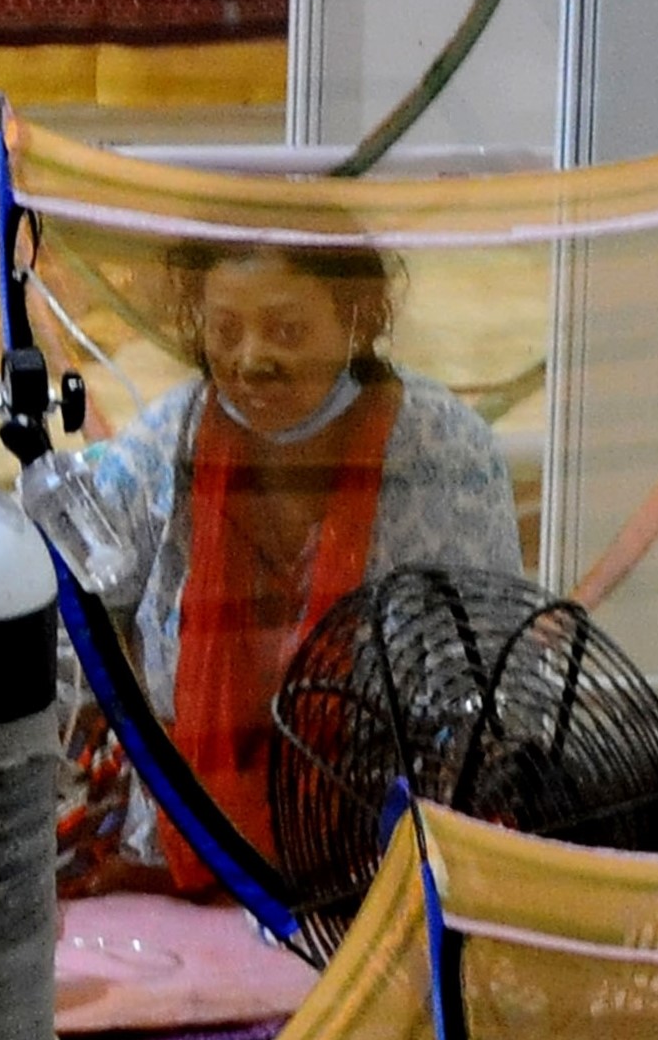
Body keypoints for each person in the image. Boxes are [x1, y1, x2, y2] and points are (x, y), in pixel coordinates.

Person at [74, 242, 522, 883]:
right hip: (182, 845)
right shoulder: (168, 443)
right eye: (225, 330)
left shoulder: (444, 454)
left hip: (385, 857)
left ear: (357, 322)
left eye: (287, 331)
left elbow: (492, 676)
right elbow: (75, 615)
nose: (252, 360)